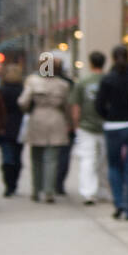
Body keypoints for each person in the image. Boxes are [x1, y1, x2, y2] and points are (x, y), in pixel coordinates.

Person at [95, 45, 128, 220]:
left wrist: (109, 116)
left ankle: (119, 203)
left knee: (114, 166)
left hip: (114, 126)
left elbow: (99, 105)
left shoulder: (108, 79)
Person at [17, 56, 73, 204]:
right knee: (52, 159)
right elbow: (67, 106)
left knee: (36, 158)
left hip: (38, 119)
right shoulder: (62, 84)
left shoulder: (32, 82)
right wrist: (70, 122)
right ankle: (49, 191)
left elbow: (22, 102)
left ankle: (36, 190)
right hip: (56, 119)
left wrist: (29, 110)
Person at [69, 51, 111, 205]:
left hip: (86, 126)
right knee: (105, 159)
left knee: (87, 159)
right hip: (106, 125)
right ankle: (104, 189)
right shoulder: (108, 80)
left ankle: (88, 192)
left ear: (90, 63)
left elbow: (76, 106)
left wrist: (75, 125)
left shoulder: (82, 81)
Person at [0, 65, 25, 197]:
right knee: (17, 156)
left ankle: (9, 185)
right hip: (20, 125)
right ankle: (13, 183)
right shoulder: (22, 90)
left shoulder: (2, 91)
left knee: (7, 156)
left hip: (5, 127)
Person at [54, 60, 77, 195]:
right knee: (63, 155)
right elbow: (71, 105)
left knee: (49, 156)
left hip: (56, 124)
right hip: (64, 124)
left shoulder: (38, 82)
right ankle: (58, 183)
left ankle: (51, 183)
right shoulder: (68, 83)